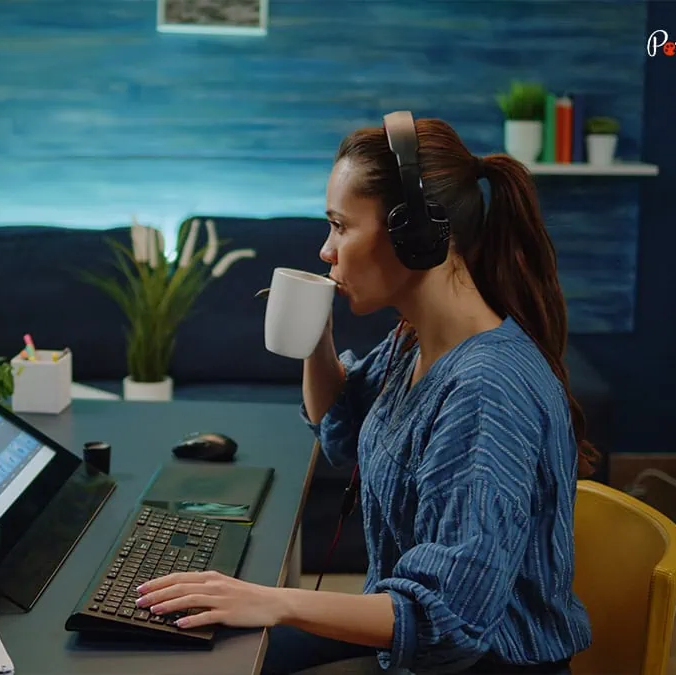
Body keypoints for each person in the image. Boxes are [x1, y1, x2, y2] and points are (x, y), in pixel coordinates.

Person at [135, 115, 595, 674]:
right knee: (206, 651)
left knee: (236, 648)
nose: (326, 251)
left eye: (339, 226)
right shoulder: (416, 341)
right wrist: (315, 335)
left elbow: (446, 620)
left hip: (476, 661)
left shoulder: (485, 392)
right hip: (412, 636)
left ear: (417, 237)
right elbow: (343, 430)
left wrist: (273, 600)